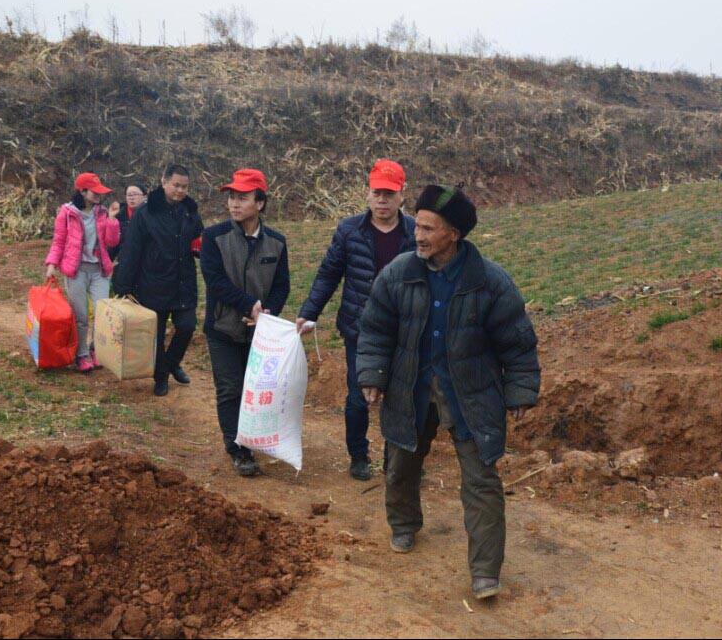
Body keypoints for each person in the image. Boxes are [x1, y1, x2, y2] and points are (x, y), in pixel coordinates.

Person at [356, 183, 540, 599]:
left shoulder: (490, 282)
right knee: (402, 462)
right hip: (412, 388)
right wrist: (372, 375)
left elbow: (518, 342)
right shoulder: (399, 273)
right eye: (417, 225)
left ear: (453, 235)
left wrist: (521, 391)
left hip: (470, 393)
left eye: (428, 228)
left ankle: (485, 572)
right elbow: (375, 329)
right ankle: (404, 525)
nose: (417, 235)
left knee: (481, 480)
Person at [295, 160, 416, 481]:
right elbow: (328, 274)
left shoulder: (415, 232)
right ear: (367, 194)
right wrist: (309, 311)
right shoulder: (350, 230)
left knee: (401, 398)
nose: (382, 200)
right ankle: (358, 455)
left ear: (402, 196)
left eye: (389, 194)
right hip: (359, 329)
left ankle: (397, 460)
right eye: (377, 193)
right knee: (358, 395)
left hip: (404, 332)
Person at [200, 169, 290, 477]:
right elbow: (214, 280)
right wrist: (248, 305)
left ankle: (252, 438)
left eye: (243, 198)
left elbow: (282, 285)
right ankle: (237, 449)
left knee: (254, 389)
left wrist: (267, 312)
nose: (235, 204)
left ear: (260, 203)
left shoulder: (276, 242)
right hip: (222, 328)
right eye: (232, 198)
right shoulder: (214, 237)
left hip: (259, 333)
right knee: (230, 389)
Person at [114, 164, 204, 396]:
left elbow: (198, 238)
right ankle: (160, 376)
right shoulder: (146, 212)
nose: (181, 190)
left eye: (185, 186)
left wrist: (202, 250)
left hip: (183, 281)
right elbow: (132, 250)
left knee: (187, 326)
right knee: (157, 333)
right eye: (176, 185)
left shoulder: (190, 210)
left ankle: (172, 363)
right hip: (153, 282)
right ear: (163, 182)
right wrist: (123, 285)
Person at [44, 172, 121, 372]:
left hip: (99, 271)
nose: (98, 195)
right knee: (80, 317)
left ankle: (97, 350)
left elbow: (112, 242)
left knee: (102, 314)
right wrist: (52, 264)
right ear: (82, 191)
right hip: (76, 271)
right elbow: (59, 240)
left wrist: (112, 220)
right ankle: (82, 355)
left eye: (99, 192)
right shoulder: (67, 213)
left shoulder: (103, 212)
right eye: (94, 192)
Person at [107, 182, 147, 262]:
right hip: (124, 260)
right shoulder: (119, 214)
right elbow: (112, 245)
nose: (132, 198)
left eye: (135, 194)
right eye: (129, 195)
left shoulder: (152, 214)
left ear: (145, 197)